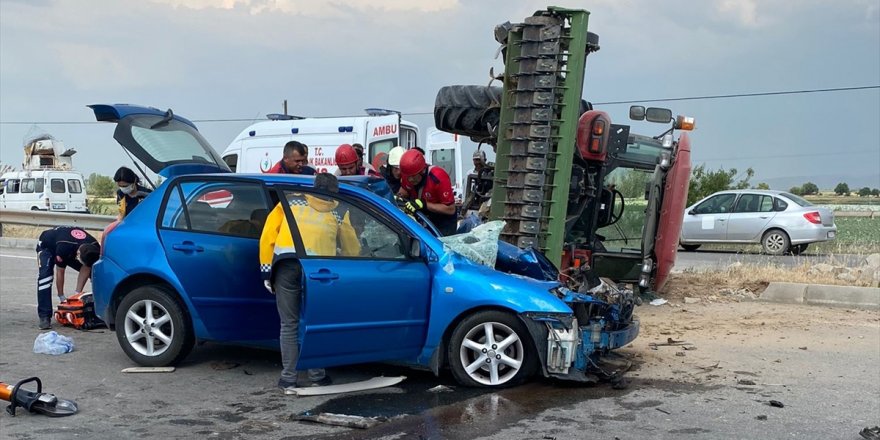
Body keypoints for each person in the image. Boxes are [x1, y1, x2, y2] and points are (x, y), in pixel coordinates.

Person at [259, 173, 360, 394]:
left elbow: (268, 236)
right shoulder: (341, 210)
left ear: (312, 187)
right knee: (314, 322)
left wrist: (267, 271)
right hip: (318, 271)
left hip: (286, 265)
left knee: (289, 324)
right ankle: (317, 376)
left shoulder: (290, 202)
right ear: (335, 192)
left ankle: (288, 379)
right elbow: (352, 247)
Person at [35, 226, 100, 329]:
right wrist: (62, 297)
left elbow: (86, 268)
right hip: (48, 245)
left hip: (73, 247)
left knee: (96, 273)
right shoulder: (64, 247)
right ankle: (44, 316)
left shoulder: (95, 247)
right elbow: (60, 272)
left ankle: (99, 310)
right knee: (45, 277)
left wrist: (77, 295)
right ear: (77, 254)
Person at [399, 149, 458, 236]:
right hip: (424, 217)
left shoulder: (438, 177)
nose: (410, 180)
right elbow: (404, 191)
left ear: (422, 171)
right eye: (408, 177)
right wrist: (398, 198)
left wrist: (424, 204)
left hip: (443, 221)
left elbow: (450, 209)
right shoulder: (407, 174)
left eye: (413, 176)